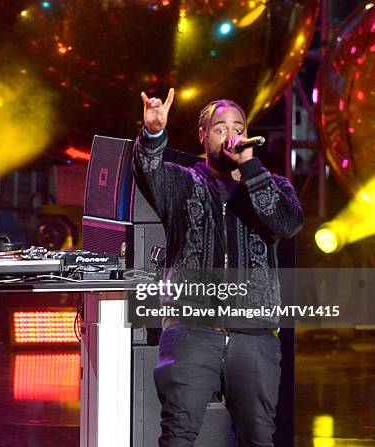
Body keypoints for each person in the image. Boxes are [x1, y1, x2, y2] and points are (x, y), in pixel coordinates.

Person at [133, 88, 304, 446]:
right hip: (192, 331)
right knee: (178, 435)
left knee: (258, 437)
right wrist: (152, 134)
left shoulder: (272, 186)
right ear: (203, 135)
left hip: (253, 336)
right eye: (220, 128)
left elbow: (287, 224)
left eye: (238, 127)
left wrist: (251, 169)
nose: (231, 135)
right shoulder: (181, 183)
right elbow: (148, 171)